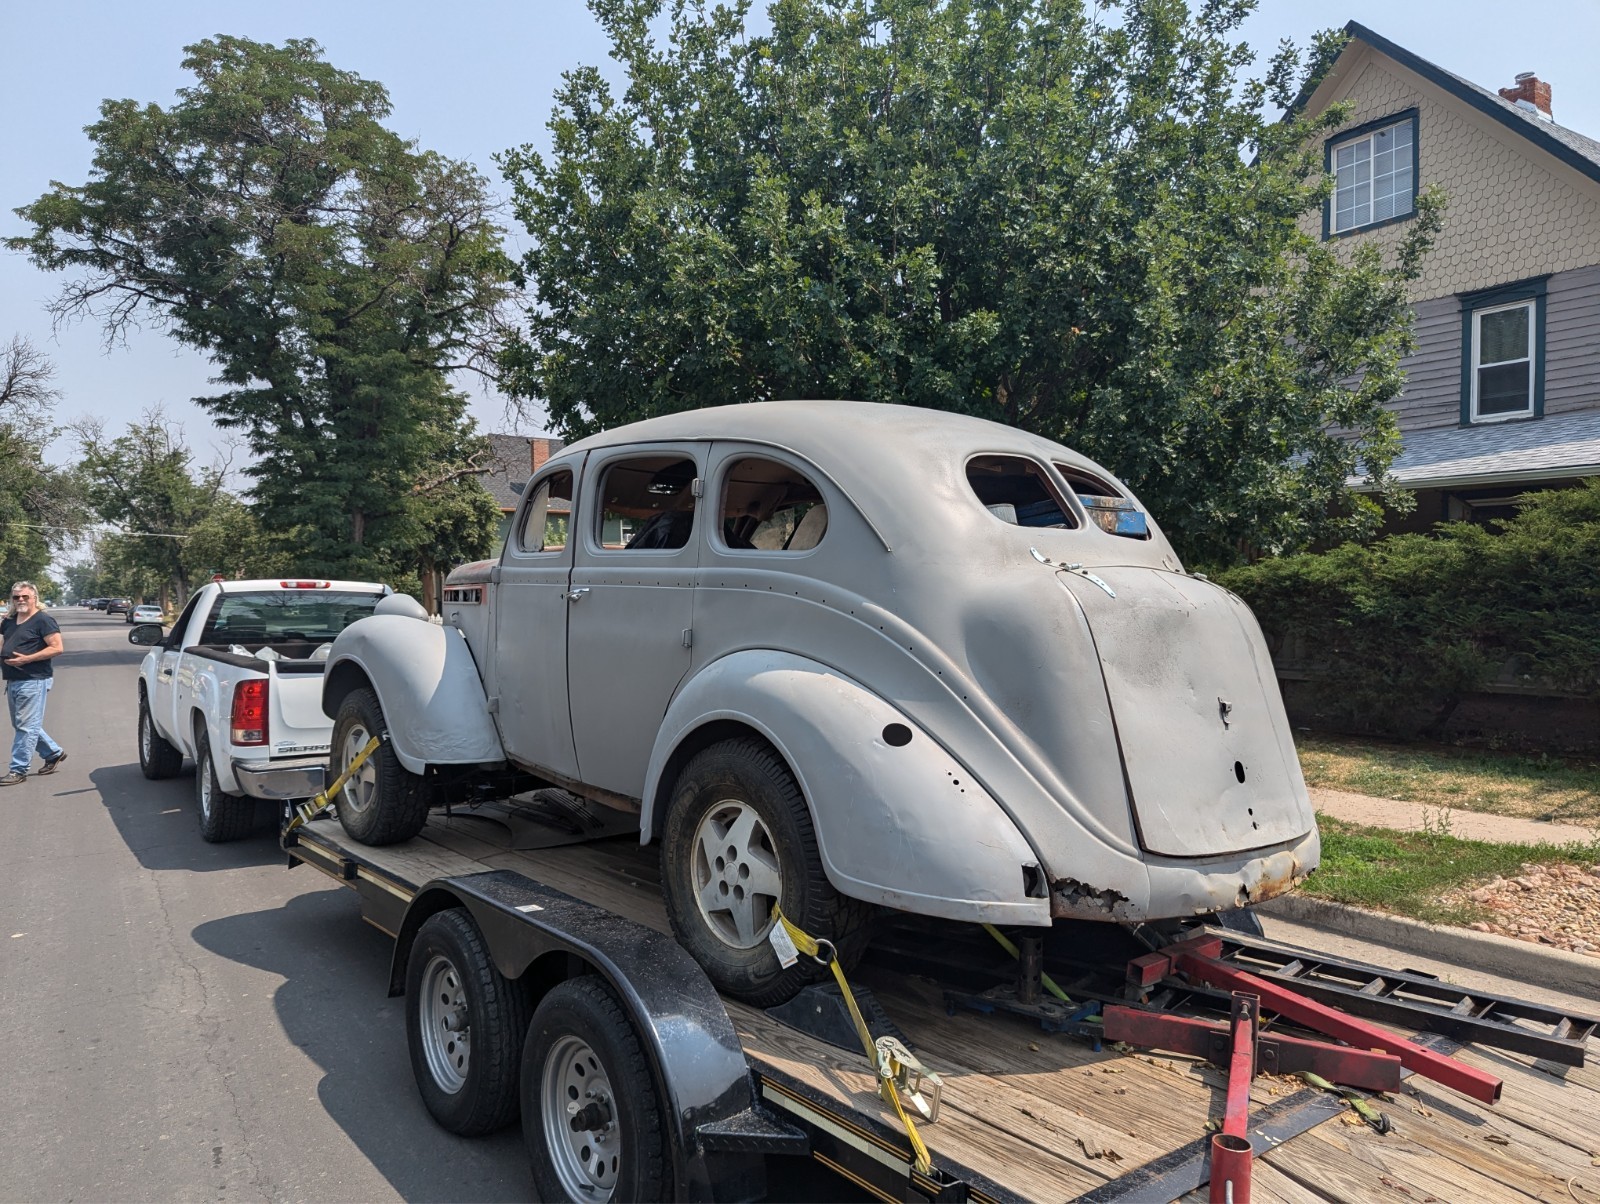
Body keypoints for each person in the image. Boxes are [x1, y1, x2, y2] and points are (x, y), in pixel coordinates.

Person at [2, 581, 66, 784]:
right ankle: (53, 753)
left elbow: (57, 648)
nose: (20, 600)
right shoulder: (10, 620)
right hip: (13, 679)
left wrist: (26, 659)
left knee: (26, 727)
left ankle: (18, 770)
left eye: (25, 596)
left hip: (34, 680)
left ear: (34, 598)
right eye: (16, 597)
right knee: (22, 724)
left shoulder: (43, 620)